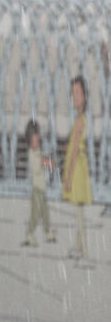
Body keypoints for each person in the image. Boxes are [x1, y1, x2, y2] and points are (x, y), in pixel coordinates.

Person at [62, 76, 92, 260]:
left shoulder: (80, 121)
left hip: (78, 170)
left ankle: (83, 249)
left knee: (79, 213)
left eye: (77, 93)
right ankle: (80, 247)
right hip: (80, 167)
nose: (74, 97)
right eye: (73, 93)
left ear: (84, 96)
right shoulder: (80, 120)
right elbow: (75, 145)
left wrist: (68, 177)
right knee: (79, 212)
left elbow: (74, 151)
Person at [23, 119, 56, 247]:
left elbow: (42, 161)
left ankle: (48, 232)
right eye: (35, 139)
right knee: (36, 214)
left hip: (41, 188)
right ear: (30, 140)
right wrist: (46, 162)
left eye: (38, 139)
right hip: (37, 189)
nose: (38, 141)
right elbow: (37, 166)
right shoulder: (32, 154)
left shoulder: (37, 151)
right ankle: (29, 233)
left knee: (45, 212)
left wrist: (47, 162)